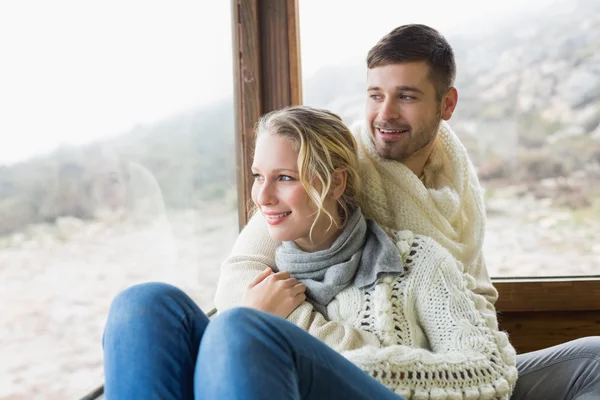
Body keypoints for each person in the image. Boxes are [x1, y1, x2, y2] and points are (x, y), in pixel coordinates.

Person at [214, 25, 600, 400]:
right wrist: (337, 346)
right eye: (375, 95)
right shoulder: (330, 171)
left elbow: (477, 293)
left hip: (439, 366)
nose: (386, 114)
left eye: (407, 97)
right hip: (367, 365)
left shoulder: (456, 185)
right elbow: (241, 274)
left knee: (594, 359)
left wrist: (465, 353)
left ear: (446, 104)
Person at [103, 105, 517, 399]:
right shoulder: (261, 273)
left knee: (240, 327)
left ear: (335, 184)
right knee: (143, 304)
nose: (262, 196)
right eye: (258, 176)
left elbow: (487, 372)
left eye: (284, 177)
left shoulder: (417, 263)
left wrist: (313, 345)